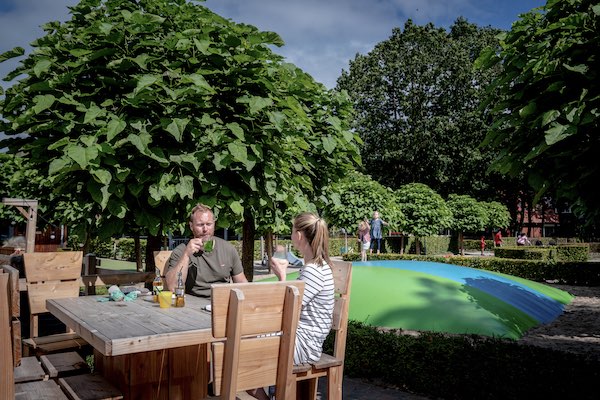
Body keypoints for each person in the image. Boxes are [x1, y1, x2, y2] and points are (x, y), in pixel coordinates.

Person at [165, 204, 247, 297]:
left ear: (214, 224)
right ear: (191, 226)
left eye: (209, 224)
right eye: (200, 225)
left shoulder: (228, 249)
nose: (205, 229)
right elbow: (173, 287)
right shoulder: (181, 251)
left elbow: (241, 282)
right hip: (193, 305)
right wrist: (186, 255)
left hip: (223, 302)